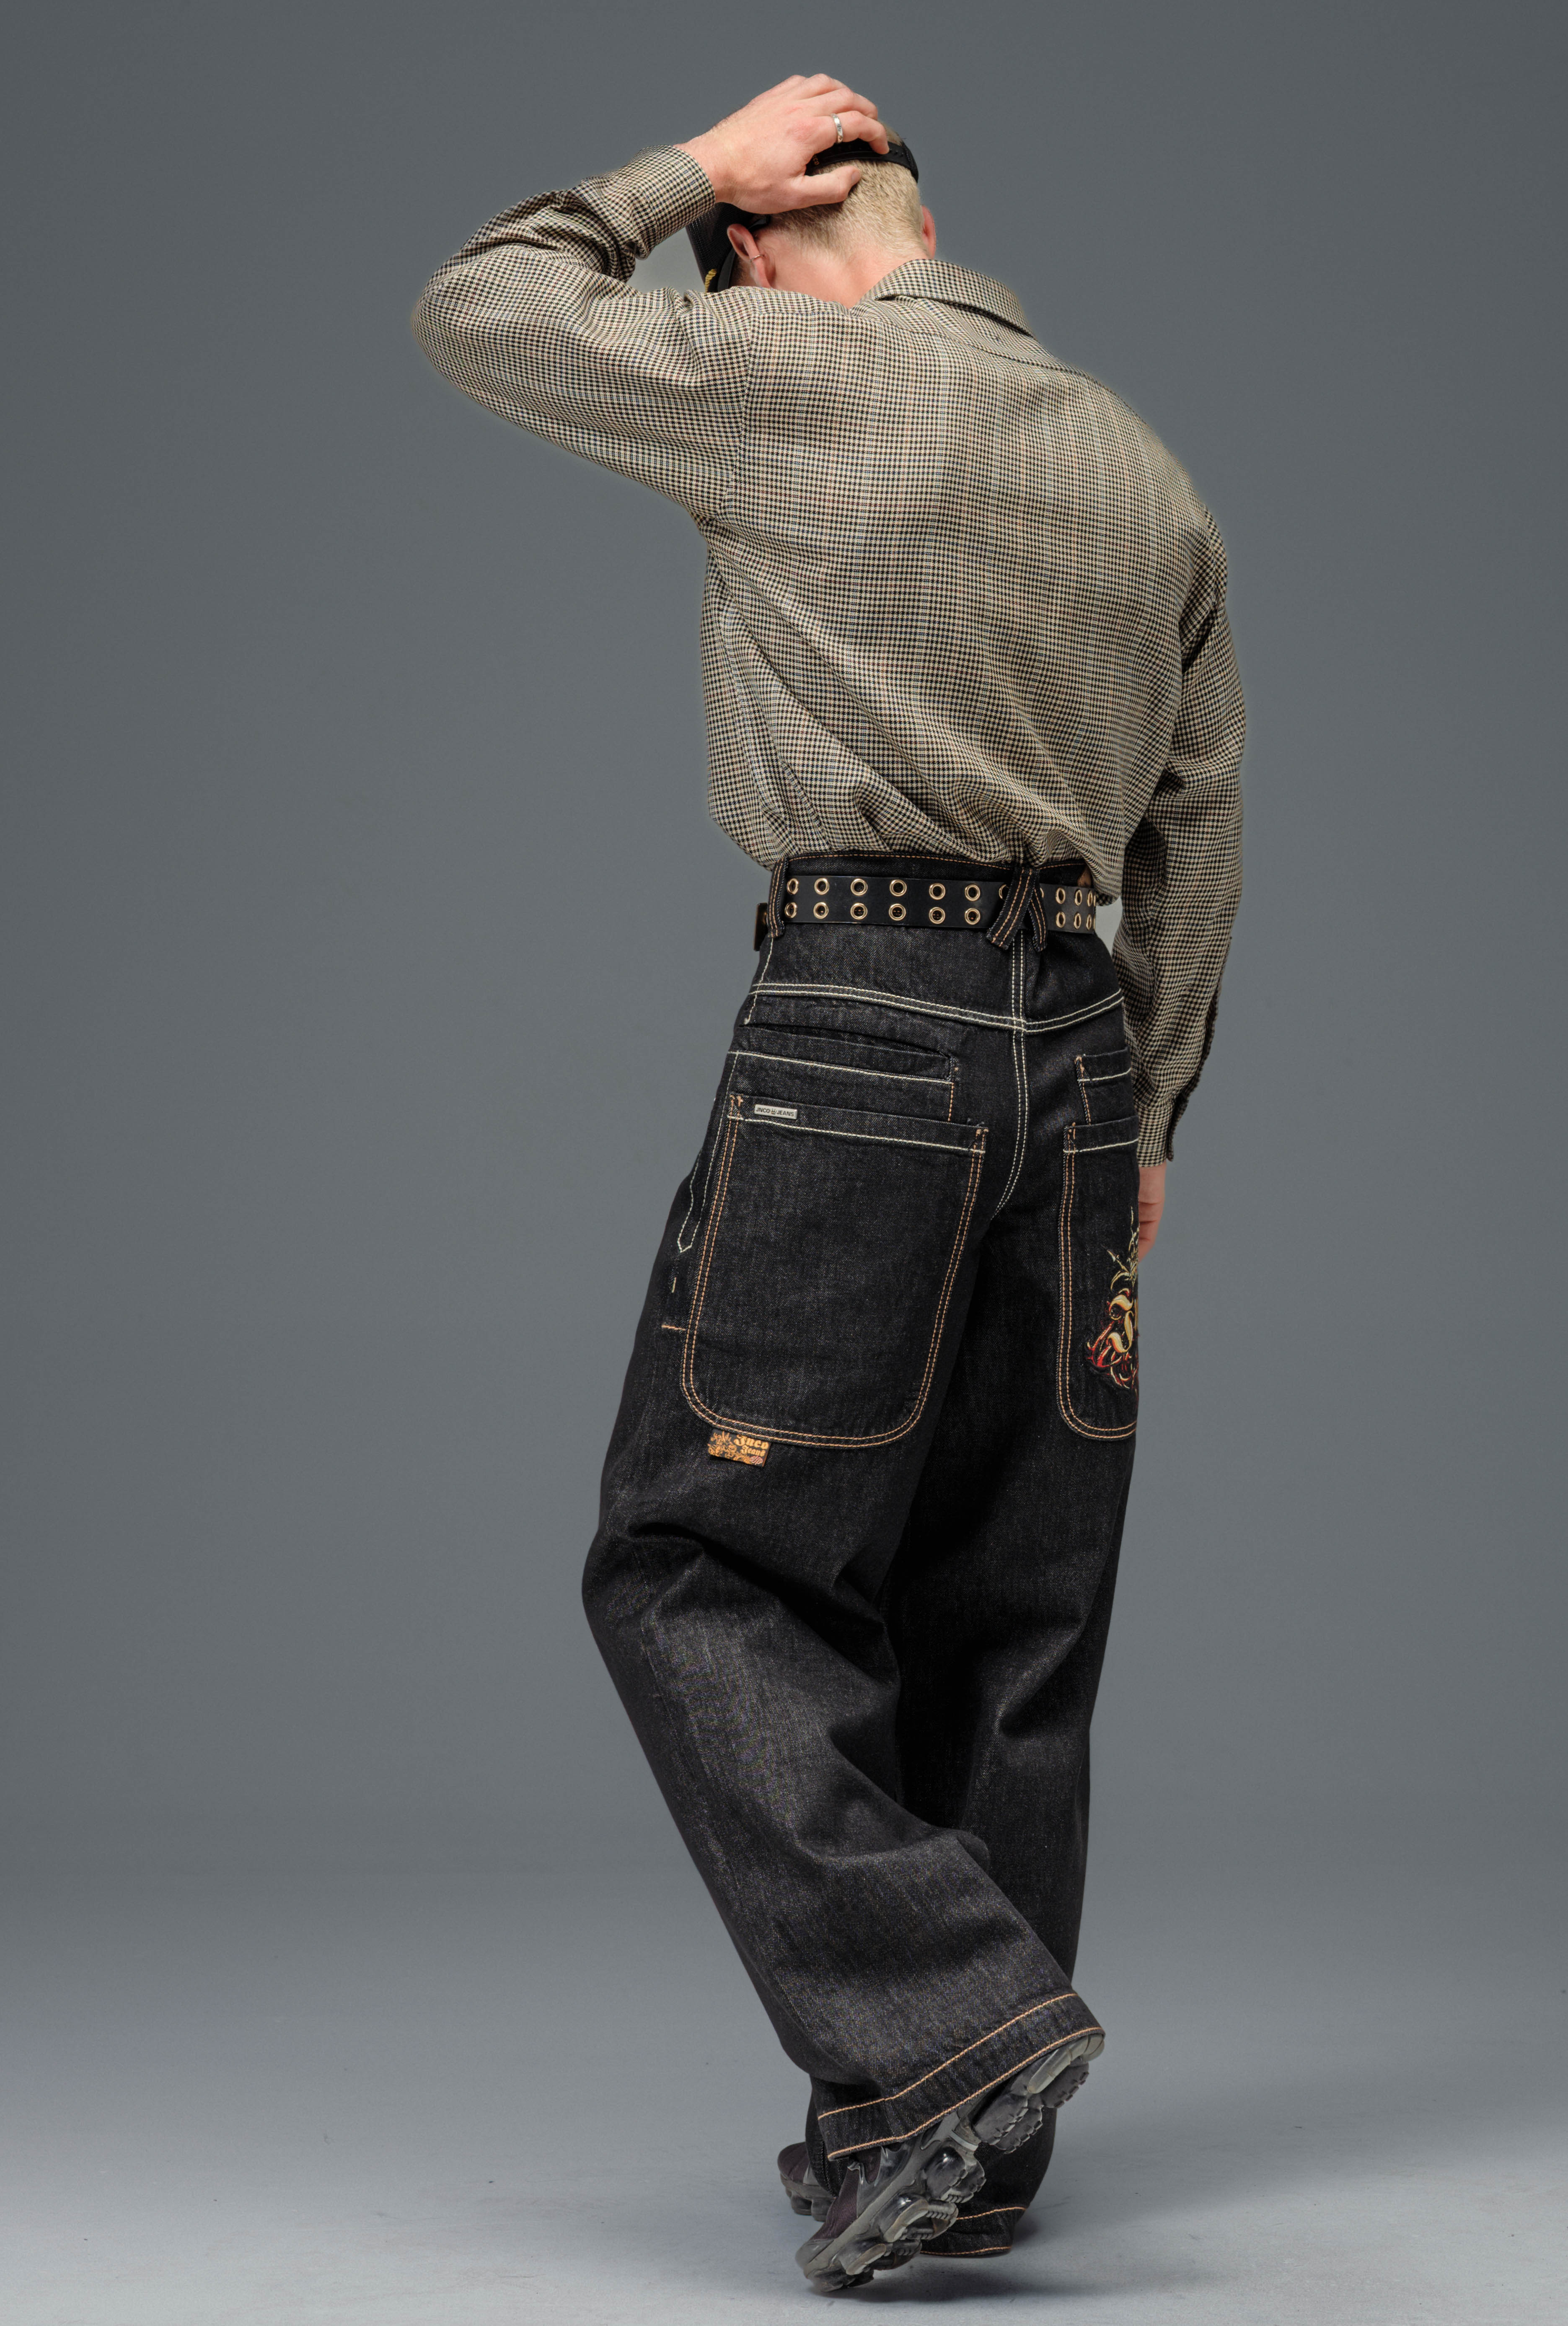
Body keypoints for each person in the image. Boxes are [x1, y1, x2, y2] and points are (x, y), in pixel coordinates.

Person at [412, 73, 1245, 2292]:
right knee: (1009, 1611)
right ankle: (954, 2135)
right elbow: (1198, 827)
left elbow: (484, 303)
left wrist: (691, 164)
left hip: (862, 1024)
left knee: (693, 1561)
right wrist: (1149, 1119)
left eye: (736, 244)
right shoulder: (1142, 470)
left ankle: (947, 2037)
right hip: (1079, 1066)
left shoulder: (782, 371)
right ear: (931, 224)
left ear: (765, 254)